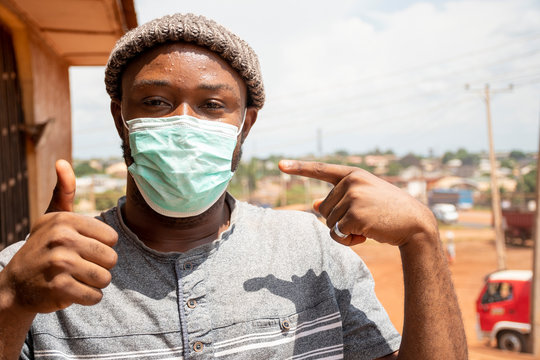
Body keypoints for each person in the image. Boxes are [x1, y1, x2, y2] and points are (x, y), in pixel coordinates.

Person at [0, 13, 467, 360]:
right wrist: (13, 301)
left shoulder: (314, 254)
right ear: (121, 117)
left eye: (211, 105)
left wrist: (420, 238)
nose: (184, 124)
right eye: (157, 102)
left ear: (245, 124)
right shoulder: (35, 275)